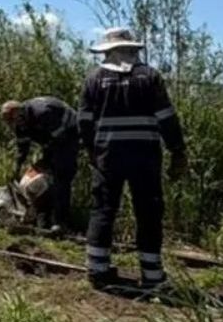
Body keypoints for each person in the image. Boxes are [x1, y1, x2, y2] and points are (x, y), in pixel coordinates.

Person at [78, 28, 187, 289]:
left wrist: (92, 151)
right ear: (133, 50)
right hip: (145, 155)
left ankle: (97, 270)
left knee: (104, 209)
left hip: (108, 155)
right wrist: (178, 151)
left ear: (107, 52)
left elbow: (84, 122)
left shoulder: (94, 79)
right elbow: (166, 117)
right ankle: (152, 276)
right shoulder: (150, 77)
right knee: (148, 212)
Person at [0, 97, 79, 231]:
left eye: (11, 121)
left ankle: (61, 221)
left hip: (69, 134)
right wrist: (16, 169)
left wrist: (50, 158)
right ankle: (43, 216)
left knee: (61, 176)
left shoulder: (43, 112)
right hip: (51, 140)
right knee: (45, 176)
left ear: (18, 113)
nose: (11, 125)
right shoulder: (20, 123)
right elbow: (22, 148)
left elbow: (58, 138)